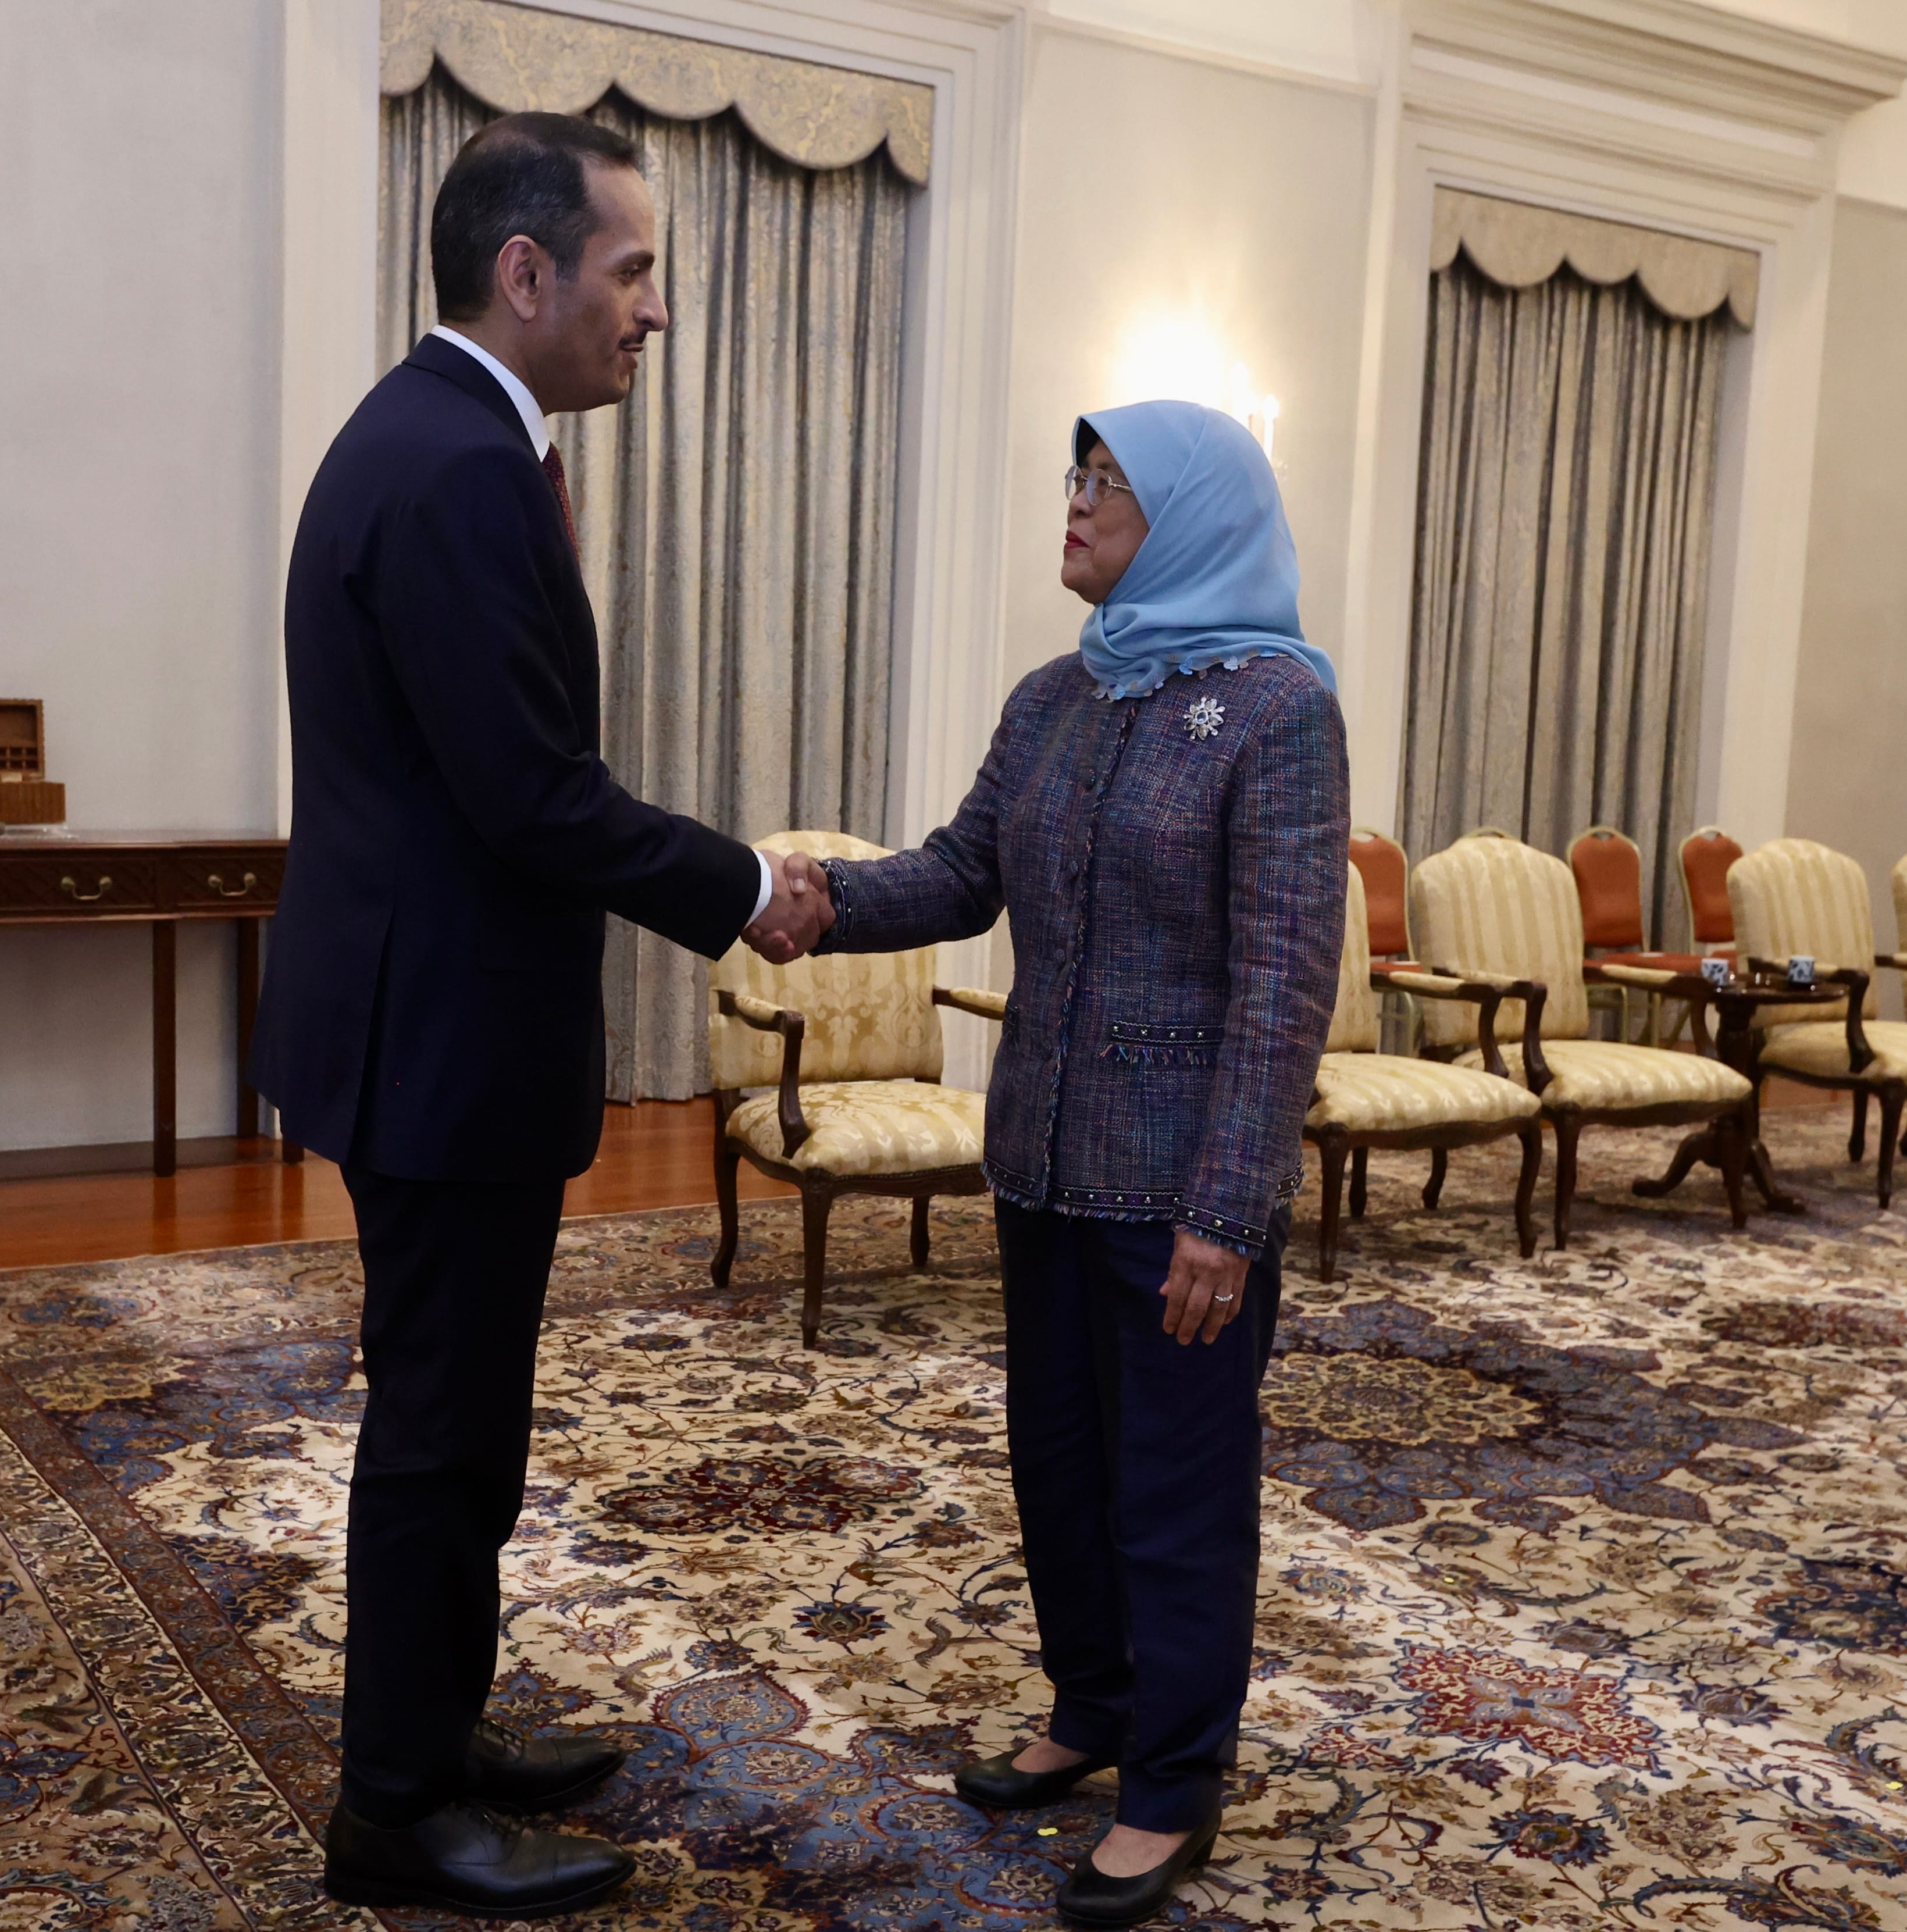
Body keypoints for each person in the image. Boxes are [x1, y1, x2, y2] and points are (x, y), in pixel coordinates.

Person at [250, 112, 829, 1917]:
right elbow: (528, 795)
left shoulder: (430, 437)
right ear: (529, 274)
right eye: (634, 269)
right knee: (440, 1430)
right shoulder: (459, 469)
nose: (653, 312)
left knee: (464, 1416)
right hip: (442, 1043)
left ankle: (438, 1726)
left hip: (425, 1022)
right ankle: (396, 1813)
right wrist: (746, 886)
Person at [797, 401, 1348, 1929]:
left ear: (1192, 510)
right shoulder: (1054, 696)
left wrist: (1229, 1212)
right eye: (1076, 477)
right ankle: (1093, 1704)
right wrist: (812, 897)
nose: (1077, 504)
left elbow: (1284, 980)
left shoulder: (1279, 705)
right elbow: (962, 869)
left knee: (1175, 1484)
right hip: (1041, 1164)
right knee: (1060, 1461)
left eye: (1108, 484)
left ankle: (1173, 1775)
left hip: (1182, 1196)